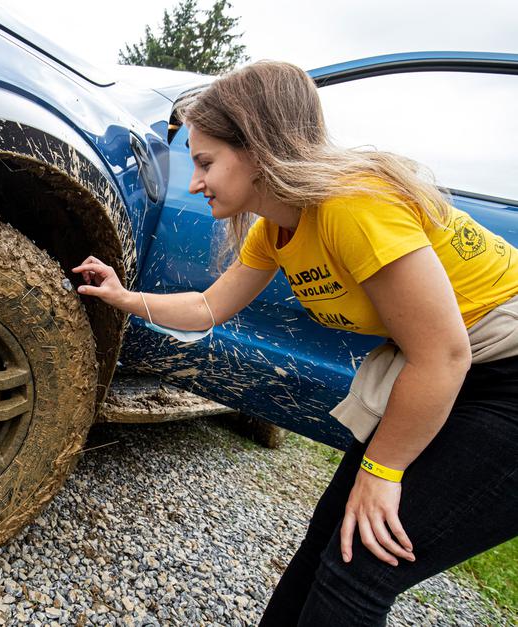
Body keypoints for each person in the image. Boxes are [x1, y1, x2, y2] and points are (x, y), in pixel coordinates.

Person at [72, 60, 518, 626]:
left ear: (257, 147)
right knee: (327, 540)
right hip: (454, 372)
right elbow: (210, 306)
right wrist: (121, 296)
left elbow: (443, 354)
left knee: (360, 567)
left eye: (205, 161)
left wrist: (383, 474)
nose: (193, 181)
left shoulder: (352, 206)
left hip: (499, 375)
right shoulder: (275, 230)